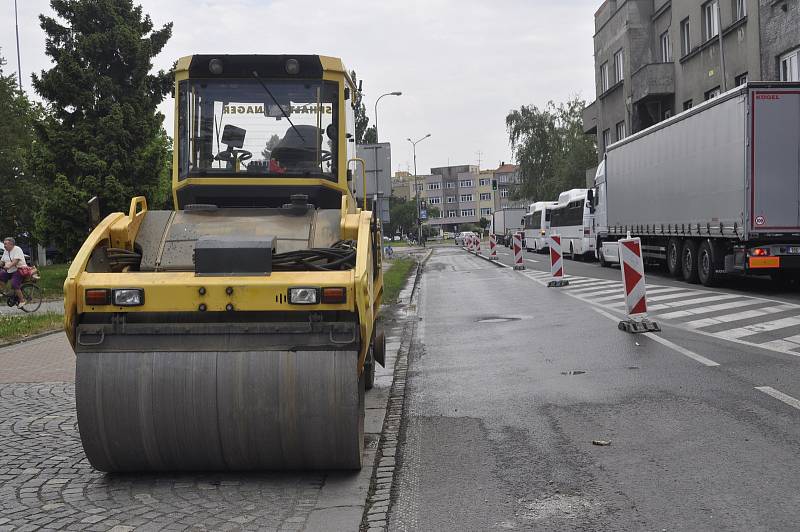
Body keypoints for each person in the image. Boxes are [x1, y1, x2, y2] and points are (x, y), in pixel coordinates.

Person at [1, 237, 27, 306]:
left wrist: (8, 266)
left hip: (19, 270)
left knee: (14, 283)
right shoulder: (6, 251)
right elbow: (2, 261)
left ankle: (22, 300)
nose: (4, 245)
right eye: (4, 244)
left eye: (6, 244)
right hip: (10, 270)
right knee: (1, 275)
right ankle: (4, 291)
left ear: (11, 244)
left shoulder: (17, 249)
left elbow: (16, 261)